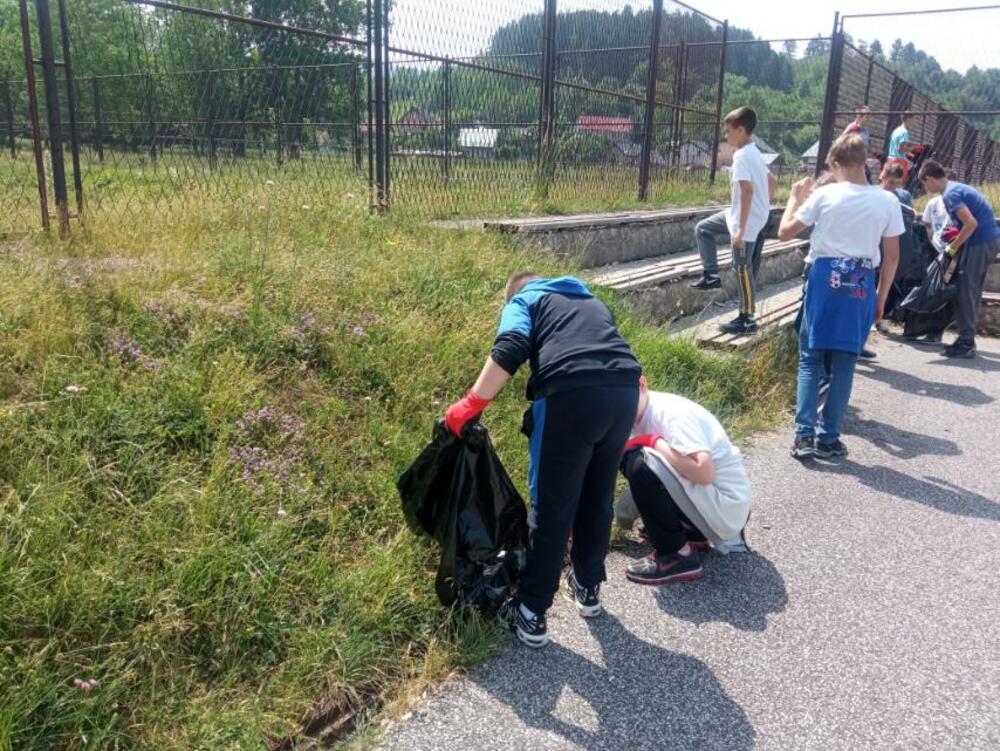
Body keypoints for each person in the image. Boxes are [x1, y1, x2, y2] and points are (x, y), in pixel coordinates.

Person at [444, 273, 641, 648]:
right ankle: (588, 587)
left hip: (571, 395)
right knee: (597, 500)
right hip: (625, 391)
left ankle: (532, 612)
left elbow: (512, 345)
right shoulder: (591, 302)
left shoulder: (525, 300)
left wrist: (471, 404)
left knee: (552, 508)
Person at [778, 134, 903, 460]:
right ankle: (828, 437)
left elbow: (784, 232)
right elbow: (891, 257)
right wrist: (880, 297)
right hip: (862, 279)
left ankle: (803, 436)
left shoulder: (825, 194)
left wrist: (794, 198)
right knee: (846, 362)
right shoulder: (887, 201)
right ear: (866, 163)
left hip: (825, 276)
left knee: (811, 358)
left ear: (835, 164)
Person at [619, 379, 752, 586]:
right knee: (635, 456)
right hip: (718, 506)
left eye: (625, 395)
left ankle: (677, 555)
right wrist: (623, 517)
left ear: (642, 384)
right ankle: (690, 532)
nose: (620, 405)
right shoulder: (639, 413)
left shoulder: (670, 414)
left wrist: (654, 442)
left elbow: (704, 472)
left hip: (726, 507)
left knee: (639, 460)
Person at [691, 106, 778, 336]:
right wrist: (764, 207)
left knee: (742, 268)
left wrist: (740, 231)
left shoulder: (741, 156)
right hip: (743, 215)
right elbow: (773, 180)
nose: (726, 136)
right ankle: (711, 275)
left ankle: (747, 318)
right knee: (703, 228)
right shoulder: (755, 152)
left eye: (728, 131)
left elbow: (747, 192)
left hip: (745, 221)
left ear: (740, 130)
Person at [918, 160, 1000, 359]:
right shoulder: (957, 188)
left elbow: (970, 223)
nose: (925, 188)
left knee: (966, 290)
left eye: (924, 184)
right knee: (968, 289)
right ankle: (965, 338)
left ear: (929, 178)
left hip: (979, 242)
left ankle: (966, 341)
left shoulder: (950, 194)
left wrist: (952, 248)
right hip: (986, 240)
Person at [885, 111, 920, 183]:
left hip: (891, 159)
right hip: (899, 161)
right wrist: (914, 149)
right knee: (899, 184)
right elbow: (901, 149)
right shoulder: (904, 132)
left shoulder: (896, 130)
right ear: (908, 119)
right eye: (913, 119)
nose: (914, 121)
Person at [844, 105, 874, 183]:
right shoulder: (852, 128)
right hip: (852, 161)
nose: (869, 119)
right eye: (867, 116)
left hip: (862, 161)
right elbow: (842, 141)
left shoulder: (866, 130)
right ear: (859, 116)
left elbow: (868, 145)